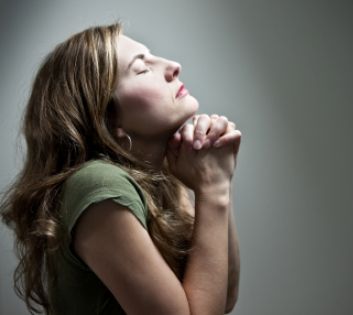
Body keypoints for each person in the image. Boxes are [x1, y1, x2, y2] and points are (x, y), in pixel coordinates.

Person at [0, 22, 241, 315]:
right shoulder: (98, 183)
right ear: (108, 119)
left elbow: (223, 296)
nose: (173, 66)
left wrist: (216, 184)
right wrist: (213, 191)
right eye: (141, 69)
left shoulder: (162, 178)